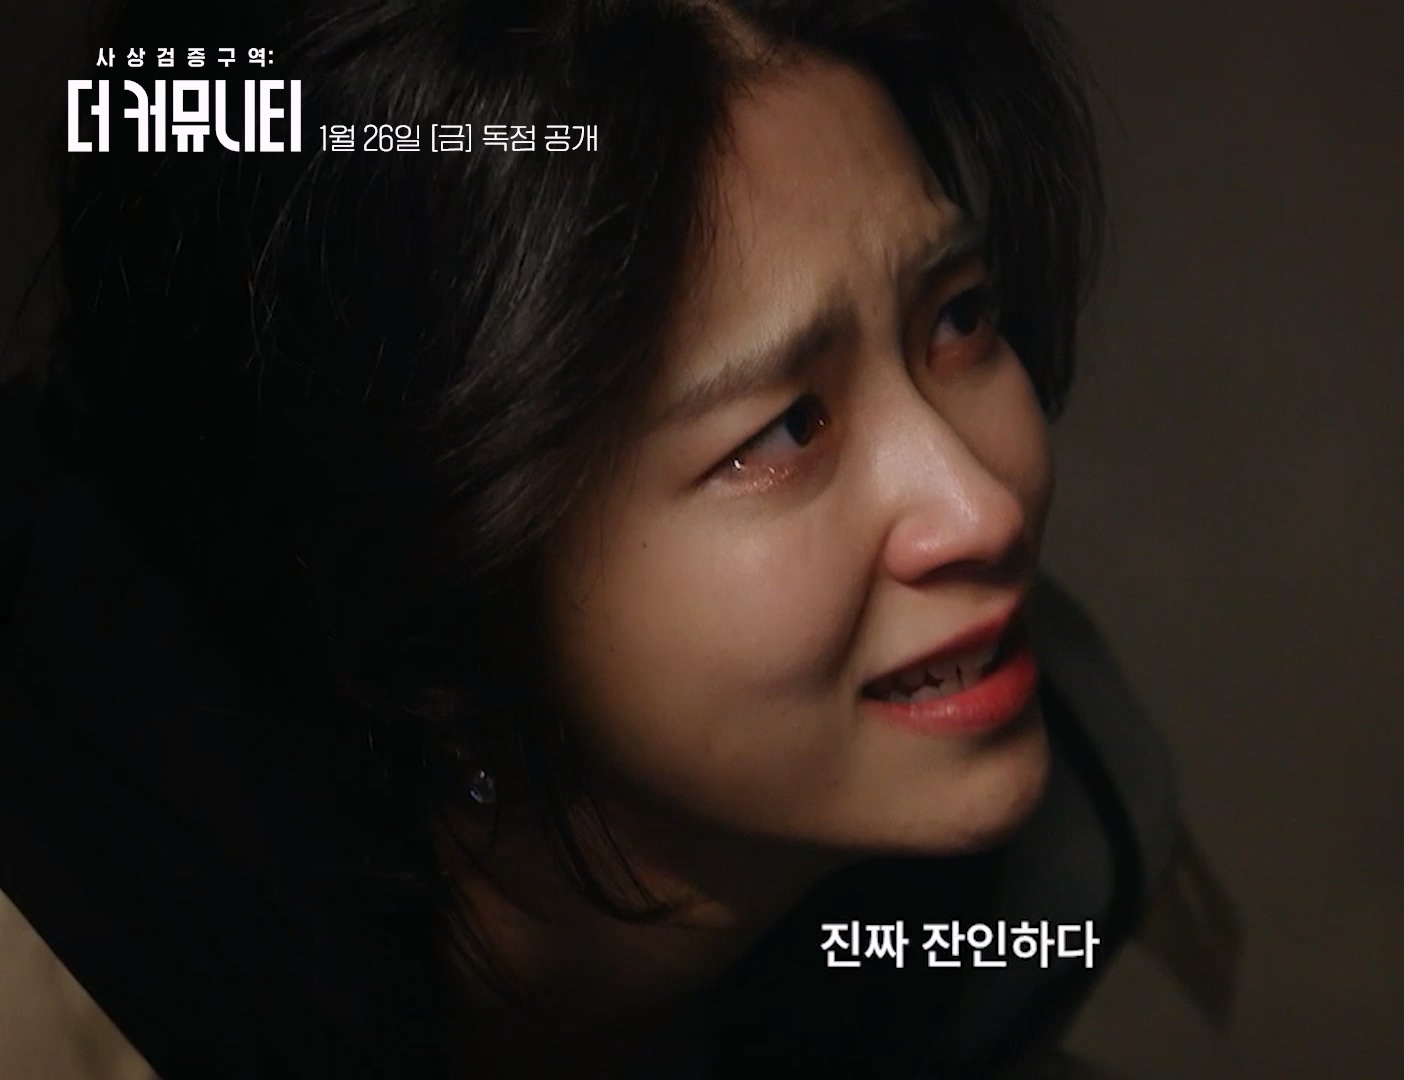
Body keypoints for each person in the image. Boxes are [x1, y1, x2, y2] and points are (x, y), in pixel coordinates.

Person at [0, 1, 1199, 1076]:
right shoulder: (70, 998)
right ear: (436, 564)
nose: (984, 506)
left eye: (958, 318)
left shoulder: (1019, 881)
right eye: (785, 428)